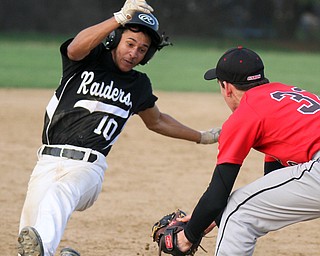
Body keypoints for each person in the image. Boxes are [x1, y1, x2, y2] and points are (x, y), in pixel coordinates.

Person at [16, 1, 221, 256]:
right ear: (115, 39)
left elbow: (156, 120)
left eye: (142, 49)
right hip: (46, 161)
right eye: (130, 43)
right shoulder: (86, 60)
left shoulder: (138, 85)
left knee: (58, 196)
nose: (134, 53)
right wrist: (119, 17)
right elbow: (74, 47)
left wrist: (203, 137)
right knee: (30, 237)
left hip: (87, 168)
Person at [175, 46, 320, 255]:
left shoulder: (246, 112)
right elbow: (273, 184)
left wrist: (187, 236)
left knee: (239, 213)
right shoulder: (284, 98)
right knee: (241, 206)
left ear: (227, 88)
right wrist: (204, 219)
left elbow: (219, 192)